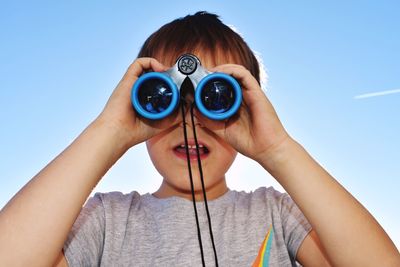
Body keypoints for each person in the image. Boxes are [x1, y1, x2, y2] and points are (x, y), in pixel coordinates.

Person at [0, 11, 399, 267]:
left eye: (216, 98)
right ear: (139, 105)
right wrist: (108, 132)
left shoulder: (278, 215)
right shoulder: (105, 221)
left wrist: (279, 151)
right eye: (164, 98)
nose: (190, 116)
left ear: (246, 109)